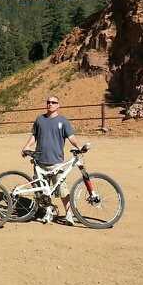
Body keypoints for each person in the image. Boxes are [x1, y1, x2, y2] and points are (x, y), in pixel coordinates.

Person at [21, 95, 85, 225]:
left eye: (53, 102)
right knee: (42, 190)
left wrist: (79, 146)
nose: (50, 104)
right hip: (40, 161)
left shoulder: (63, 121)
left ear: (58, 105)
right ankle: (47, 212)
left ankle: (68, 215)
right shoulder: (40, 120)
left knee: (63, 190)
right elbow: (34, 136)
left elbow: (71, 137)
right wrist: (27, 146)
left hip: (56, 162)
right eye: (48, 102)